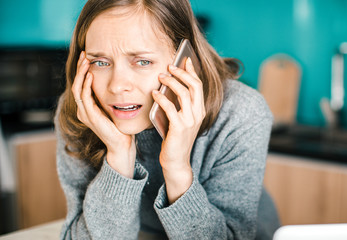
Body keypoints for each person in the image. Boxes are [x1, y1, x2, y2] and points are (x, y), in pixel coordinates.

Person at [55, 0, 280, 239]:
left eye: (142, 61)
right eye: (100, 62)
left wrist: (177, 168)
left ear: (184, 60)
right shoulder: (81, 112)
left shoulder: (241, 112)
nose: (117, 86)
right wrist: (119, 158)